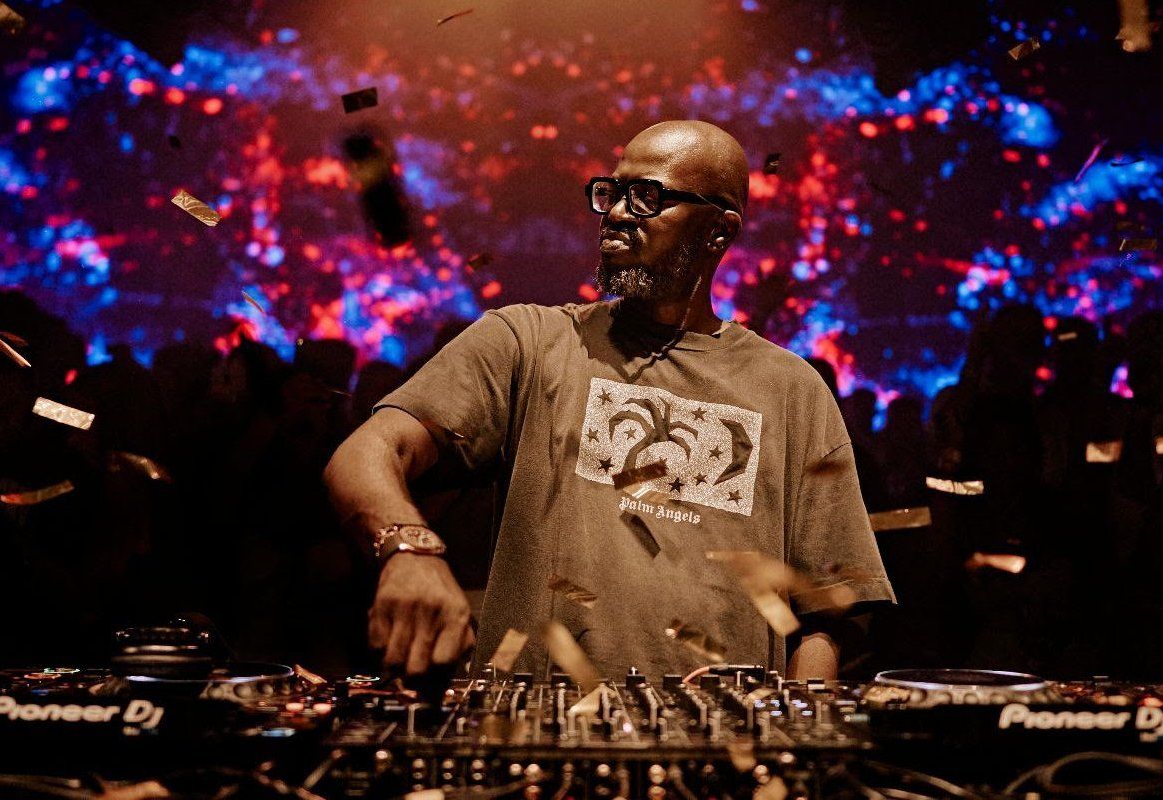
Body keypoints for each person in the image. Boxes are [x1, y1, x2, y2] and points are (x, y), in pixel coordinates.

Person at [324, 120, 894, 682]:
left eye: (647, 196)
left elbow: (828, 616)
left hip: (728, 736)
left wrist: (800, 723)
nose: (618, 212)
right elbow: (367, 453)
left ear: (719, 231)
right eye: (612, 192)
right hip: (539, 732)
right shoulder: (528, 341)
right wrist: (408, 548)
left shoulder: (792, 389)